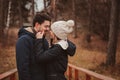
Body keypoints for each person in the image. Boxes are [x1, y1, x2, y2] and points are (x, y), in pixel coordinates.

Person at [16, 13, 51, 80]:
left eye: (49, 26)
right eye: (46, 26)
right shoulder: (23, 40)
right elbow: (23, 68)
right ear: (37, 25)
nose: (48, 29)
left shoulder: (44, 40)